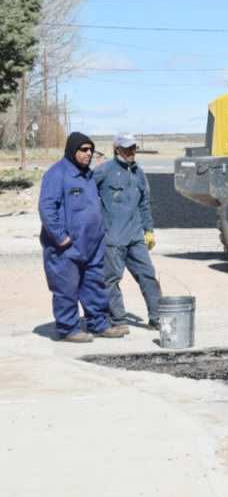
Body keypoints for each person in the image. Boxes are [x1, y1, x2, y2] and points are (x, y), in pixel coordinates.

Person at [38, 132, 128, 342]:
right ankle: (68, 329)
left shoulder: (88, 175)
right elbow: (47, 208)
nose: (88, 154)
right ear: (72, 150)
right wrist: (61, 237)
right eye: (84, 150)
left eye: (91, 150)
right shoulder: (57, 174)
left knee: (95, 286)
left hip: (92, 245)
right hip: (66, 248)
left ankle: (99, 324)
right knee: (66, 288)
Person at [95, 132, 163, 329]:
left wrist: (149, 230)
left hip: (135, 238)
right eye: (127, 148)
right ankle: (118, 321)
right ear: (117, 149)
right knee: (111, 280)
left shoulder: (138, 173)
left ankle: (157, 318)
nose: (132, 152)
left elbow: (144, 204)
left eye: (133, 148)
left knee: (148, 276)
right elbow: (87, 198)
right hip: (113, 239)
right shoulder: (103, 171)